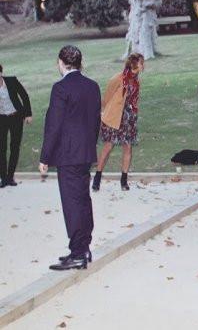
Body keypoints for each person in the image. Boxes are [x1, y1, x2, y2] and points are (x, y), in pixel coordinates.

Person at [40, 45, 101, 270]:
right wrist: (89, 146)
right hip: (85, 152)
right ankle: (83, 248)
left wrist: (45, 156)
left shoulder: (60, 88)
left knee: (73, 203)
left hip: (68, 155)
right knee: (83, 200)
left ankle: (77, 253)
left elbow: (53, 125)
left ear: (61, 63)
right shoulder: (92, 86)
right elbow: (95, 121)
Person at [93, 53, 145, 192]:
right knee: (107, 147)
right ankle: (97, 177)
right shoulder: (118, 78)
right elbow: (107, 97)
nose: (143, 64)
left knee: (128, 148)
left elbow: (134, 100)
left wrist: (133, 113)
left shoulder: (136, 81)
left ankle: (124, 180)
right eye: (141, 62)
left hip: (129, 119)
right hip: (115, 118)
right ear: (134, 64)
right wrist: (105, 112)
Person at [0, 63, 33, 187]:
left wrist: (28, 114)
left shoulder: (12, 81)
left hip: (15, 117)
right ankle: (3, 178)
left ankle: (10, 176)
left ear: (1, 73)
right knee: (1, 148)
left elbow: (24, 96)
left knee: (15, 147)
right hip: (1, 119)